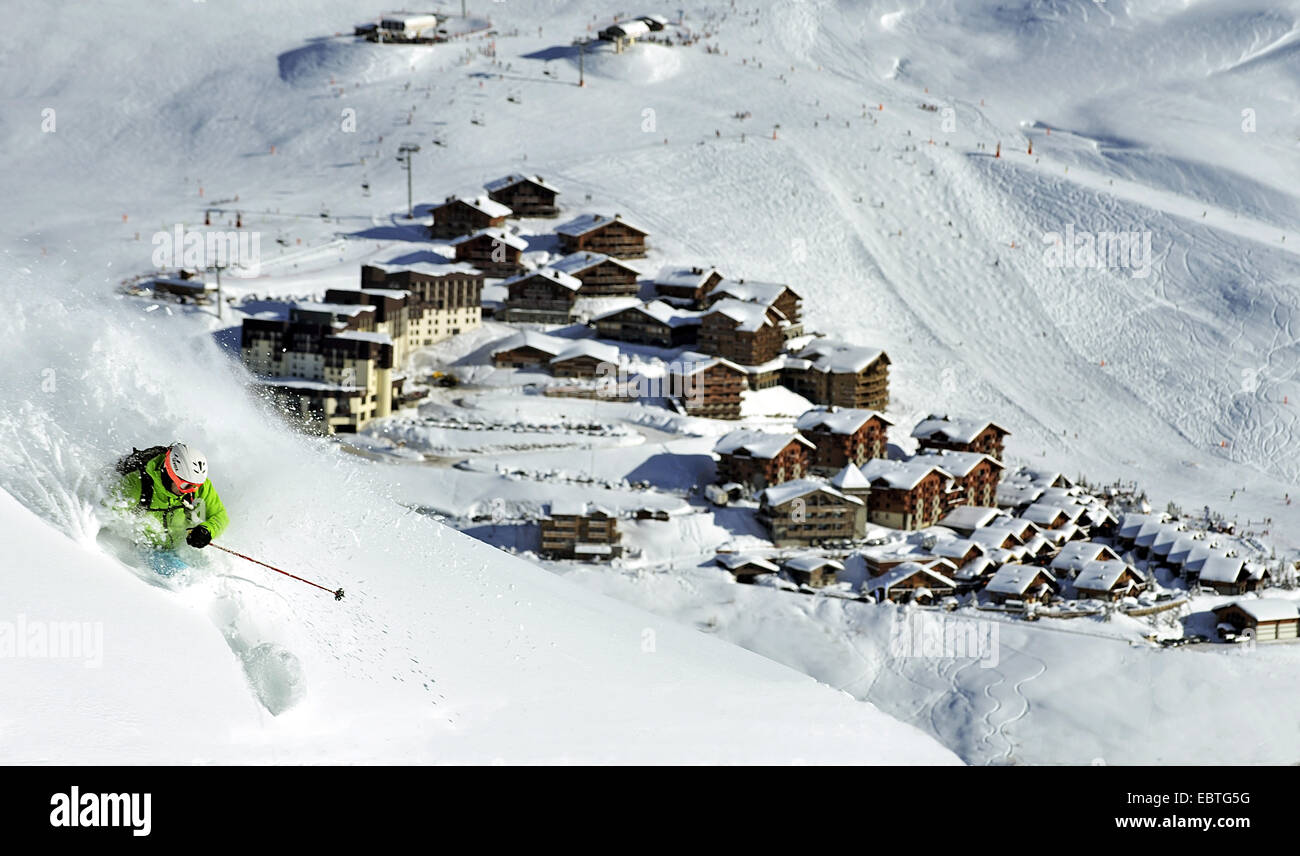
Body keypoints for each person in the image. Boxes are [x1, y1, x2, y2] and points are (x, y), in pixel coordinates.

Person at [110, 442, 229, 575]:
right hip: (143, 550)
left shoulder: (196, 486)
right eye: (186, 486)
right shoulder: (135, 486)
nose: (191, 490)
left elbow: (220, 516)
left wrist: (207, 531)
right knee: (182, 578)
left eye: (196, 485)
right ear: (170, 473)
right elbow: (106, 516)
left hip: (179, 548)